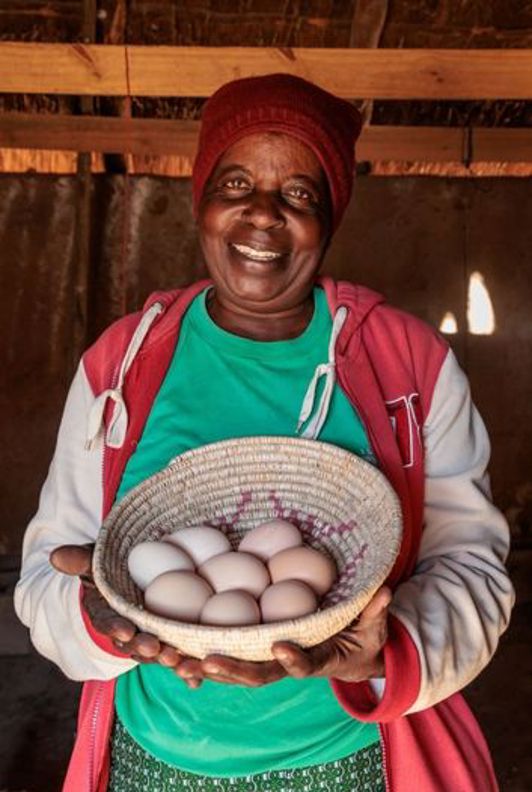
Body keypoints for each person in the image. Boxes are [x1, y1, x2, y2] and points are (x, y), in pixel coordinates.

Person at [15, 74, 514, 792]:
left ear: (331, 217)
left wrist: (379, 653)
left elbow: (474, 572)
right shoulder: (121, 365)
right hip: (157, 763)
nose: (263, 215)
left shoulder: (409, 364)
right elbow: (43, 581)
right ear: (202, 198)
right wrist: (97, 617)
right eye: (237, 182)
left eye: (299, 194)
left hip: (348, 761)